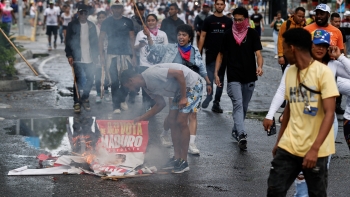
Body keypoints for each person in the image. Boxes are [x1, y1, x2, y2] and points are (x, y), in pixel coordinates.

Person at [264, 29, 350, 197]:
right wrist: (279, 142)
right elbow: (289, 108)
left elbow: (329, 113)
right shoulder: (290, 71)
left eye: (284, 48)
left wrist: (314, 149)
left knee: (316, 193)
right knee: (274, 190)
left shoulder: (324, 72)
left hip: (316, 149)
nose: (281, 53)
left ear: (293, 48)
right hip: (289, 146)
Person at [121, 63, 205, 173]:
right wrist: (141, 118)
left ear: (131, 80)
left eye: (129, 87)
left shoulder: (151, 74)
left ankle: (184, 162)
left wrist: (184, 97)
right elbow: (160, 104)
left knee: (181, 121)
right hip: (179, 90)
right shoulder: (146, 88)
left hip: (192, 84)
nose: (131, 90)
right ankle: (176, 158)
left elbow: (179, 74)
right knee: (172, 121)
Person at [145, 24, 212, 154]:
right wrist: (148, 36)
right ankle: (164, 134)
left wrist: (208, 82)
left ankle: (191, 144)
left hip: (191, 86)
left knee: (193, 114)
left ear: (189, 37)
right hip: (174, 87)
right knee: (173, 114)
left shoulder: (194, 50)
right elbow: (154, 48)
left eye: (184, 35)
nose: (181, 37)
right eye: (179, 34)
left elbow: (201, 67)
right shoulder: (171, 48)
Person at [214, 7, 263, 150]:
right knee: (238, 104)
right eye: (235, 19)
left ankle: (236, 130)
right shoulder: (228, 35)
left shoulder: (253, 34)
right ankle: (241, 134)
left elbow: (258, 54)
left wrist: (259, 66)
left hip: (249, 76)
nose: (238, 22)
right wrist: (216, 73)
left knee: (244, 107)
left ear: (246, 19)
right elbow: (220, 55)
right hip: (233, 75)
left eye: (240, 20)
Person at [99, 1, 136, 114]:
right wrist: (101, 56)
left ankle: (121, 99)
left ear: (122, 9)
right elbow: (101, 39)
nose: (117, 10)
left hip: (126, 55)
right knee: (114, 82)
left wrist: (134, 56)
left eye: (119, 7)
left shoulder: (128, 21)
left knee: (127, 80)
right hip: (112, 55)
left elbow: (131, 39)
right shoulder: (106, 22)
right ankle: (116, 106)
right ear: (111, 9)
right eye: (115, 7)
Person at [198, 0, 232, 113]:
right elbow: (202, 36)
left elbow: (232, 37)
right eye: (218, 4)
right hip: (210, 53)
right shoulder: (208, 20)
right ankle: (209, 96)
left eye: (222, 4)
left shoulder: (228, 21)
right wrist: (199, 52)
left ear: (224, 6)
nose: (219, 6)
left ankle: (216, 102)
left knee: (220, 78)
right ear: (215, 5)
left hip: (223, 54)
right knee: (209, 76)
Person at [65, 5, 99, 114]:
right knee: (77, 81)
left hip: (90, 58)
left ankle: (85, 98)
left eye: (85, 13)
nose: (83, 15)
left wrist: (96, 56)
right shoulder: (72, 25)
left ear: (87, 14)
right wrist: (69, 55)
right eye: (81, 13)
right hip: (77, 57)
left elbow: (95, 43)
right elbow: (68, 41)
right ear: (78, 13)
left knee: (90, 79)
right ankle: (76, 102)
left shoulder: (91, 26)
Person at [134, 14, 168, 109]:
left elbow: (166, 50)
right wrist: (140, 45)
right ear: (146, 22)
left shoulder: (163, 34)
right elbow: (135, 48)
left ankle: (154, 106)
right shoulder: (141, 33)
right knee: (145, 88)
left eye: (153, 20)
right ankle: (145, 107)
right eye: (148, 20)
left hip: (158, 65)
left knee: (156, 88)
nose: (151, 22)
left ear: (156, 21)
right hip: (144, 65)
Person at [277, 7, 306, 74]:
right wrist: (281, 55)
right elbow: (280, 39)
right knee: (286, 76)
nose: (301, 18)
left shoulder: (304, 26)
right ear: (294, 14)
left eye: (302, 17)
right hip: (286, 55)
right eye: (299, 16)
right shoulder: (286, 24)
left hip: (299, 56)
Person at [330, 12, 347, 115]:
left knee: (339, 84)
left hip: (338, 61)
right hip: (329, 62)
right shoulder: (327, 31)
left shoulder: (341, 31)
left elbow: (343, 46)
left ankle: (338, 105)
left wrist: (344, 58)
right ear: (331, 21)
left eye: (339, 21)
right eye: (335, 21)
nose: (337, 23)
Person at [94, 11, 109, 103]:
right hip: (97, 53)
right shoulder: (95, 28)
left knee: (107, 74)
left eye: (103, 17)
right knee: (98, 74)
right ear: (97, 19)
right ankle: (98, 93)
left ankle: (106, 91)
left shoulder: (110, 27)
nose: (101, 19)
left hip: (108, 52)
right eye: (100, 17)